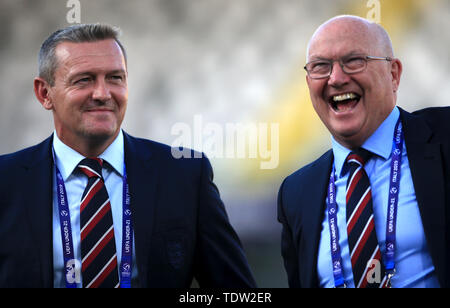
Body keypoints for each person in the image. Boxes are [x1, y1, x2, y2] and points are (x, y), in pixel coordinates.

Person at [0, 23, 256, 288]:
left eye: (115, 78)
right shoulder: (6, 182)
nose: (102, 94)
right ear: (44, 93)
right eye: (84, 80)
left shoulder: (185, 175)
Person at [277, 15, 450, 288]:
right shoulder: (296, 192)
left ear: (393, 74)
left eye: (354, 60)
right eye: (320, 66)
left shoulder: (445, 136)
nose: (336, 78)